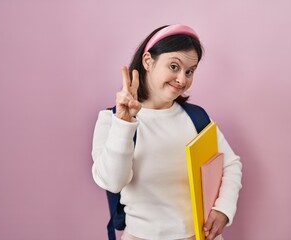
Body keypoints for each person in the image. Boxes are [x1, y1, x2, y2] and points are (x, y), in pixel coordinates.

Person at [91, 24, 242, 240]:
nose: (182, 79)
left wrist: (223, 209)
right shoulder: (111, 121)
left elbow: (231, 163)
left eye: (190, 71)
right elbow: (113, 182)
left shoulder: (196, 118)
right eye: (174, 66)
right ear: (148, 61)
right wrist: (124, 123)